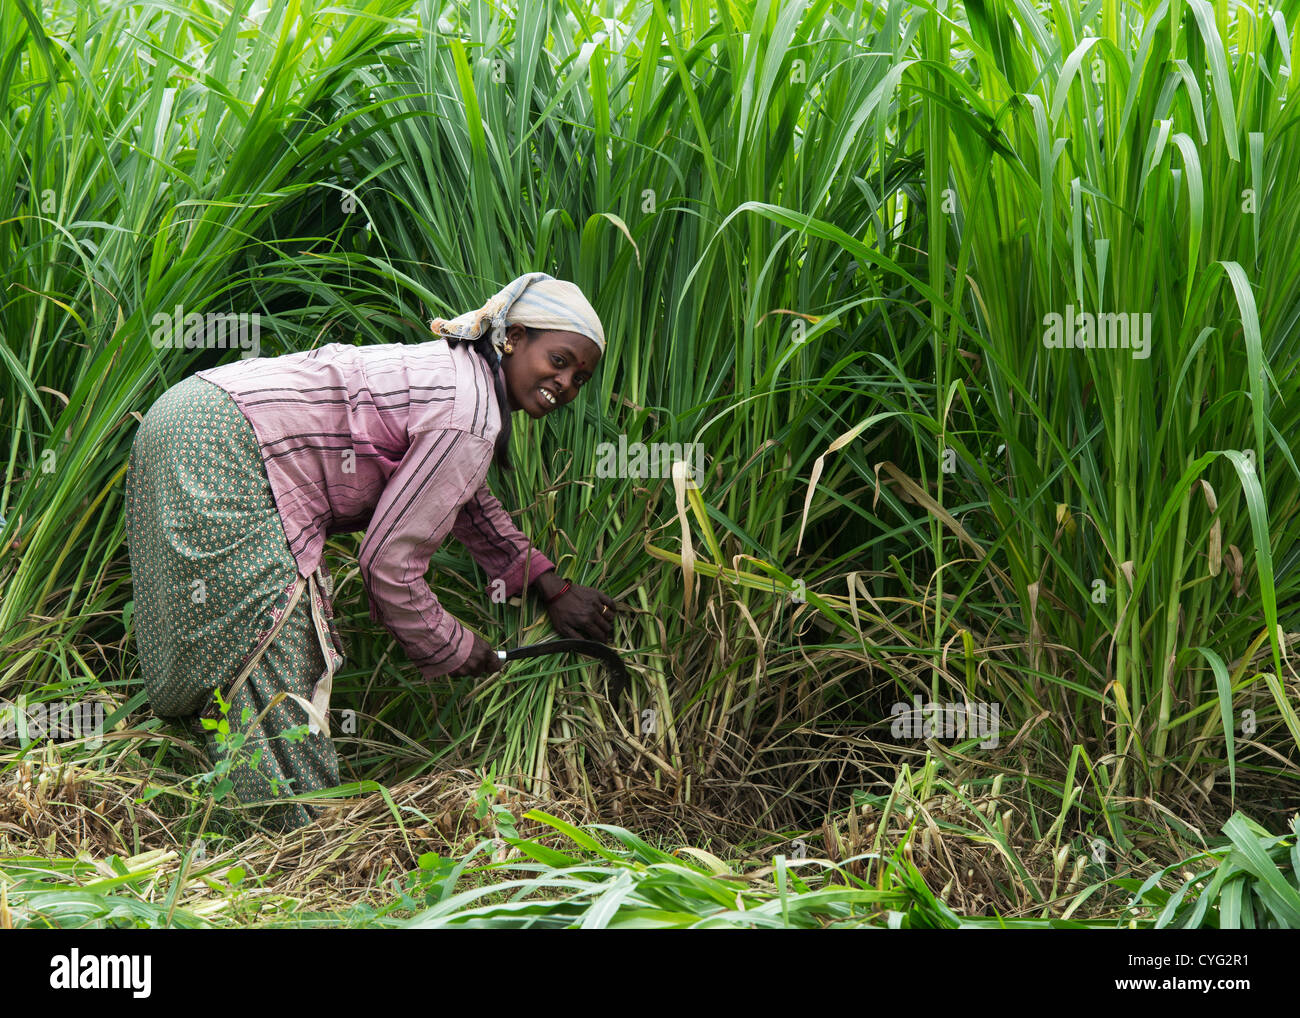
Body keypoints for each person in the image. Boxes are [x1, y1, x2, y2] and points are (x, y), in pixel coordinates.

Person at [124, 272, 617, 830]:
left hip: (188, 413)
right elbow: (387, 561)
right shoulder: (471, 410)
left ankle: (208, 820)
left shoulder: (458, 376)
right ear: (513, 337)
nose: (567, 382)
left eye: (581, 377)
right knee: (276, 644)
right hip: (226, 445)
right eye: (559, 360)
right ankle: (296, 852)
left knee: (228, 639)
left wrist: (551, 585)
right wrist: (451, 645)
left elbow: (463, 500)